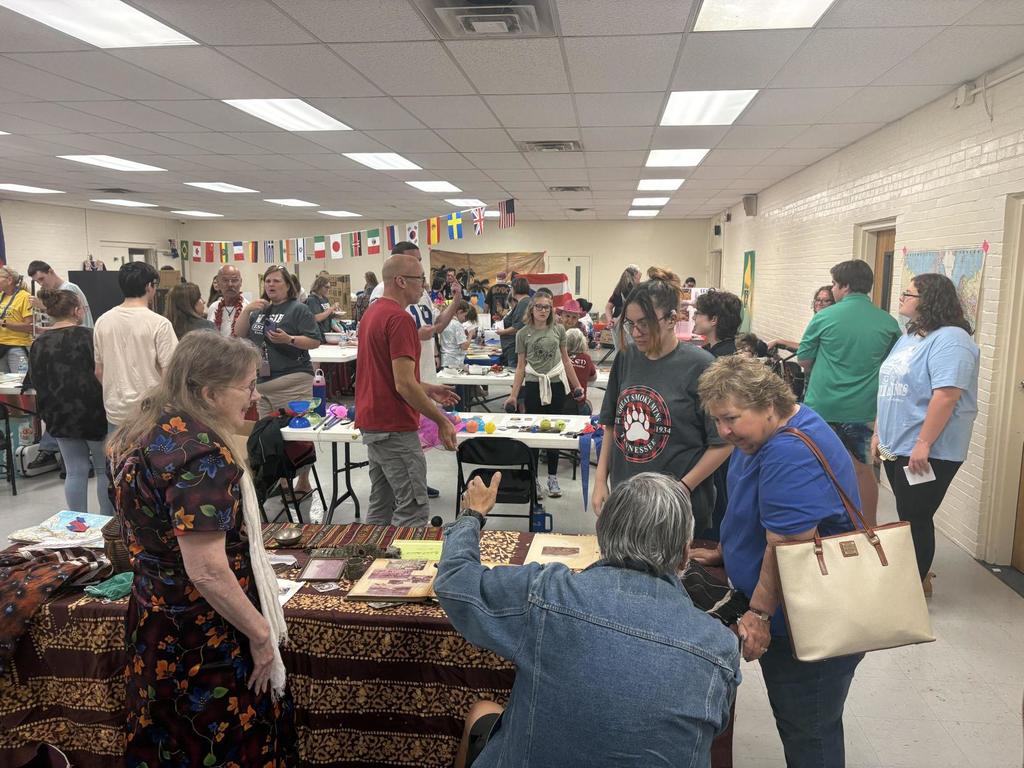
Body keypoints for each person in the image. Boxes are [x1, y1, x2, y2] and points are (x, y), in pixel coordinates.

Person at [437, 471, 740, 768]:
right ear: (685, 555)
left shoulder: (547, 594)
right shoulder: (719, 648)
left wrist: (471, 515)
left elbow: (456, 582)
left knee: (483, 712)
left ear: (602, 536)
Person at [107, 333, 296, 767]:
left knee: (166, 739)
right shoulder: (201, 455)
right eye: (247, 386)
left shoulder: (136, 431)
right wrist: (261, 634)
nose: (253, 398)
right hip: (202, 633)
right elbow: (208, 570)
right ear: (209, 393)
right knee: (216, 742)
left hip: (154, 616)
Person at [693, 356, 862, 768]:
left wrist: (760, 615)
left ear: (768, 403)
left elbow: (790, 544)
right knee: (803, 722)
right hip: (792, 612)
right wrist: (728, 548)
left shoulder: (788, 451)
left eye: (731, 418)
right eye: (717, 421)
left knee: (810, 728)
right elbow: (758, 507)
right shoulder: (764, 435)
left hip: (807, 622)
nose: (724, 431)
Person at [592, 269, 732, 533]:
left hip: (677, 511)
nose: (636, 332)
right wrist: (601, 480)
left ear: (671, 319)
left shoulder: (702, 366)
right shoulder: (627, 356)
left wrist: (681, 489)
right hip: (628, 504)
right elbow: (611, 425)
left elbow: (723, 444)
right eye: (630, 324)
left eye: (644, 323)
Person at [873, 274, 979, 593]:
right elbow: (890, 386)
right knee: (906, 513)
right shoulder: (910, 336)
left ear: (930, 300)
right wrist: (879, 430)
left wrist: (924, 443)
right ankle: (915, 577)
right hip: (898, 443)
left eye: (909, 293)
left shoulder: (952, 339)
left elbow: (946, 395)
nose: (902, 297)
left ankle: (915, 586)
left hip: (930, 450)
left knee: (916, 515)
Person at [356, 253, 460, 526]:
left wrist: (426, 388)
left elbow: (388, 377)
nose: (424, 286)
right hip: (394, 427)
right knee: (413, 508)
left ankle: (370, 560)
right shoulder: (399, 319)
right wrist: (441, 420)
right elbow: (402, 384)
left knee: (382, 503)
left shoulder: (372, 314)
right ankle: (403, 569)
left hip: (374, 424)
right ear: (400, 281)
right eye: (420, 280)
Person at [797, 260, 900, 527]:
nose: (832, 289)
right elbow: (893, 366)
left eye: (834, 284)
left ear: (845, 285)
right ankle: (868, 526)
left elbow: (804, 360)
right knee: (864, 471)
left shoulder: (824, 317)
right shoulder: (888, 323)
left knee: (817, 467)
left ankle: (818, 525)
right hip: (863, 409)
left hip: (823, 406)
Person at [28, 289, 111, 515]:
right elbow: (102, 372)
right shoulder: (90, 336)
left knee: (75, 470)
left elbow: (35, 379)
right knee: (104, 470)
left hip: (59, 413)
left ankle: (78, 524)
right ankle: (106, 523)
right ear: (77, 311)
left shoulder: (39, 343)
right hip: (93, 411)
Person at [505, 291, 585, 499]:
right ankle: (534, 479)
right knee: (534, 435)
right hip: (533, 387)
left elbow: (566, 361)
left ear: (551, 310)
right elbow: (521, 367)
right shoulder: (522, 334)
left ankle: (552, 477)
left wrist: (577, 387)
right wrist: (513, 395)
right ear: (531, 309)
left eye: (547, 307)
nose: (543, 310)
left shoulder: (558, 330)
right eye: (538, 306)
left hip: (556, 385)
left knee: (553, 435)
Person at [94, 262, 178, 430]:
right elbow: (171, 373)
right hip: (151, 412)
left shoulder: (102, 321)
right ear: (149, 286)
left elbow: (99, 371)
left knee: (118, 456)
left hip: (116, 412)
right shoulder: (160, 324)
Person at [236, 265, 321, 420]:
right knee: (268, 437)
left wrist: (289, 339)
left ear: (288, 285)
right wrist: (247, 310)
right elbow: (240, 334)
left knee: (295, 439)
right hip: (262, 387)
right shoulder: (260, 311)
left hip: (292, 383)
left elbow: (315, 341)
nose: (270, 284)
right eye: (267, 281)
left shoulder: (299, 309)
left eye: (276, 281)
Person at [27, 260, 94, 328]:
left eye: (42, 279)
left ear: (51, 271)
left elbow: (68, 318)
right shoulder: (57, 291)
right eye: (37, 281)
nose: (41, 284)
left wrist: (43, 306)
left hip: (80, 335)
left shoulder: (68, 288)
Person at [767, 285, 834, 352]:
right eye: (818, 299)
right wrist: (779, 341)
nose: (820, 303)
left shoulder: (828, 324)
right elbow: (805, 346)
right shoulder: (819, 321)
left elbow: (805, 349)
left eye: (826, 300)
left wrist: (779, 341)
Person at [0, 266, 33, 374]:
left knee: (19, 384)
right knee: (3, 386)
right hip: (1, 347)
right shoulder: (1, 296)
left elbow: (29, 327)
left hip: (17, 346)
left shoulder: (25, 297)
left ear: (9, 280)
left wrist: (4, 323)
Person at [692, 290, 743, 357]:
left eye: (697, 313)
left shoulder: (719, 359)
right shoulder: (727, 349)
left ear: (713, 320)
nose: (693, 317)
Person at [496, 276, 531, 367]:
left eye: (511, 288)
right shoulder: (523, 302)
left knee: (514, 372)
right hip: (514, 346)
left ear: (514, 289)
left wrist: (502, 332)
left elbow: (518, 327)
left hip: (515, 347)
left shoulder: (524, 303)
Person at [206, 264, 249, 337]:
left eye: (234, 280)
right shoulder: (213, 308)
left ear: (241, 282)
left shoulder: (247, 309)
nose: (230, 284)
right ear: (218, 283)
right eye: (225, 280)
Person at [604, 265, 641, 352]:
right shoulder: (633, 290)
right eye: (639, 278)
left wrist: (610, 320)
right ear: (634, 276)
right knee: (632, 352)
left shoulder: (619, 288)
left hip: (617, 324)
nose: (640, 281)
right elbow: (630, 310)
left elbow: (608, 307)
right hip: (626, 324)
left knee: (620, 352)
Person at [564, 328, 596, 415]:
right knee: (588, 404)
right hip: (579, 405)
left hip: (561, 405)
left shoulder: (561, 358)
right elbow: (593, 377)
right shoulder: (586, 358)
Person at [305, 275, 339, 340]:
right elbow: (317, 318)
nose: (328, 290)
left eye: (329, 287)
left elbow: (327, 315)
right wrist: (331, 308)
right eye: (326, 287)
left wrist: (334, 313)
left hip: (327, 333)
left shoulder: (325, 299)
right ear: (319, 286)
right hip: (318, 335)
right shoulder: (312, 300)